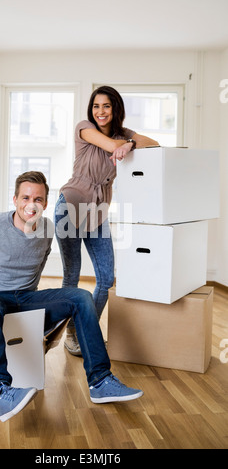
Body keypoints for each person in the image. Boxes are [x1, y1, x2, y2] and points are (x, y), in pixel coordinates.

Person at [0, 171, 144, 422]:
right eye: (26, 197)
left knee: (81, 297)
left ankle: (100, 381)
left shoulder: (48, 228)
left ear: (46, 203)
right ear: (15, 199)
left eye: (38, 199)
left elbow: (38, 263)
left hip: (27, 298)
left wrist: (38, 307)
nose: (31, 204)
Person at [55, 86, 159, 356]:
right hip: (71, 205)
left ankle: (83, 329)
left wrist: (130, 144)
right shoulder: (84, 128)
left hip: (98, 211)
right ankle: (70, 334)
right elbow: (112, 147)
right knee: (72, 276)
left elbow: (154, 144)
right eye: (96, 106)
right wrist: (122, 145)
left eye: (106, 106)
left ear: (115, 109)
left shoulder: (124, 135)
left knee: (106, 278)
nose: (100, 112)